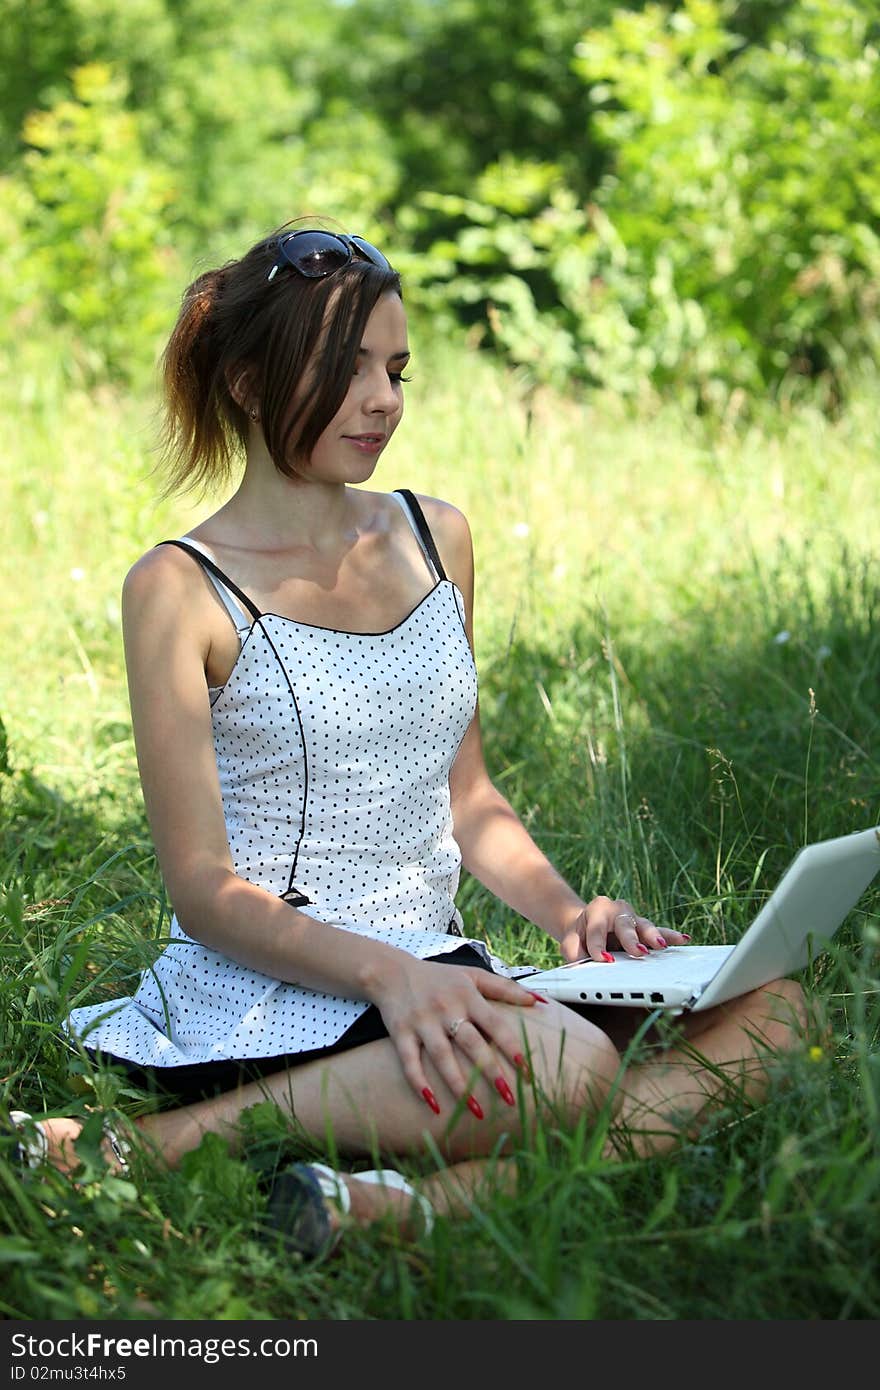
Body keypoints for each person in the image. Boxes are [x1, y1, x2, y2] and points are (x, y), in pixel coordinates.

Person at [11, 223, 807, 1255]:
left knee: (773, 1011)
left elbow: (467, 799)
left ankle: (403, 1205)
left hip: (434, 970)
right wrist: (389, 976)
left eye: (394, 369)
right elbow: (204, 893)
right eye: (345, 372)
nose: (383, 399)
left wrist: (573, 916)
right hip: (279, 988)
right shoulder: (175, 585)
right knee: (568, 1067)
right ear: (250, 383)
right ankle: (154, 1145)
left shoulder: (435, 535)